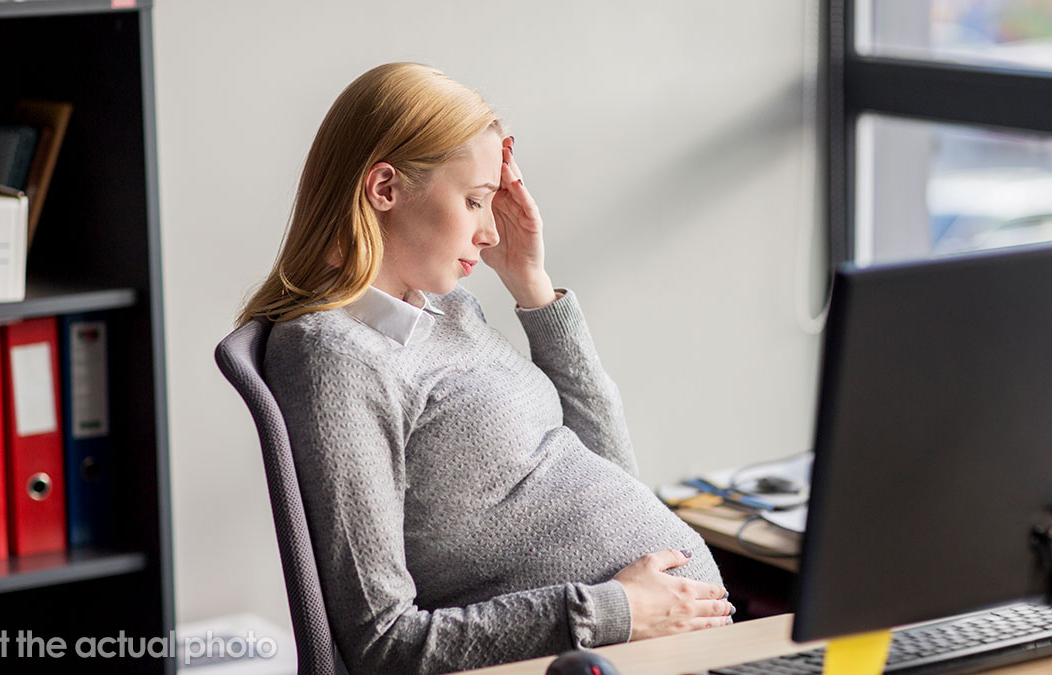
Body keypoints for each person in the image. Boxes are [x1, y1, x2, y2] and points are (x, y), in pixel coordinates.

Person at [237, 62, 732, 674]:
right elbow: (383, 643)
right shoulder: (336, 357)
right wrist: (613, 611)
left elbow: (610, 473)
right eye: (473, 201)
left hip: (669, 646)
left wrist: (533, 287)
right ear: (384, 188)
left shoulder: (445, 308)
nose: (490, 230)